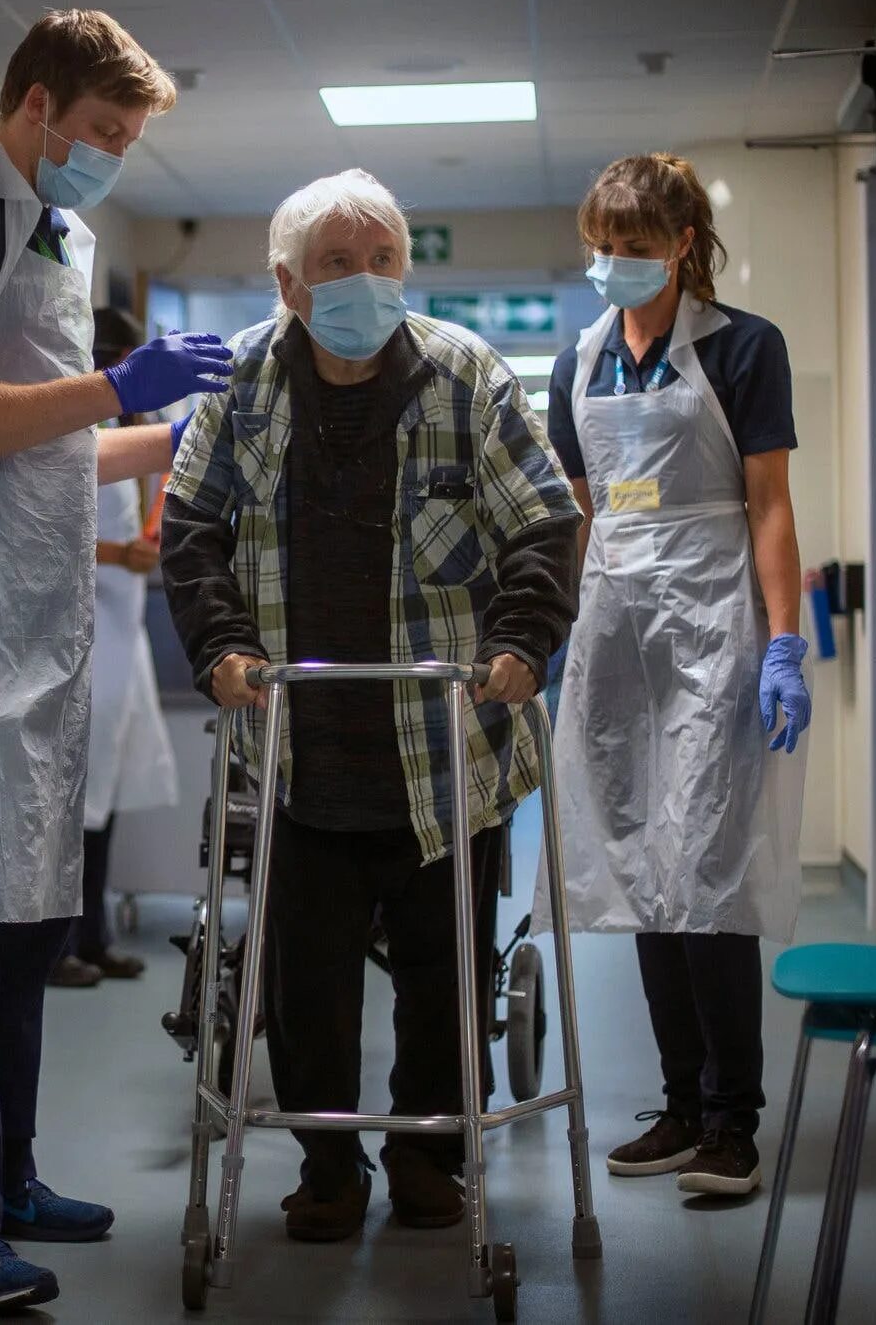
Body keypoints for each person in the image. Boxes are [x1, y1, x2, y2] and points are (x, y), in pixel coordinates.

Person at [0, 11, 232, 1313]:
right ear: (31, 108)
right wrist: (122, 391)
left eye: (127, 144)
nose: (110, 161)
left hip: (36, 613)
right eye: (100, 136)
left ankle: (5, 1177)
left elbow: (61, 442)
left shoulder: (62, 241)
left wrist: (188, 439)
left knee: (26, 914)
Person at [162, 169, 581, 1243]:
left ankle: (428, 1159)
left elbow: (540, 521)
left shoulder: (463, 375)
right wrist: (218, 646)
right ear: (287, 284)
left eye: (381, 258)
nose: (363, 280)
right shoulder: (239, 385)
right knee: (305, 988)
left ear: (406, 264)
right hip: (300, 743)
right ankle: (326, 1163)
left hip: (443, 738)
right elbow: (190, 530)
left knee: (444, 978)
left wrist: (521, 643)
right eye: (335, 265)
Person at [535, 152, 811, 1201]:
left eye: (634, 249)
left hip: (710, 624)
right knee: (646, 875)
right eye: (600, 249)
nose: (611, 266)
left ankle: (732, 1124)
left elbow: (769, 506)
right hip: (615, 635)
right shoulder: (579, 361)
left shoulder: (741, 348)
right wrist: (551, 632)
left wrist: (782, 642)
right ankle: (679, 1105)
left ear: (682, 245)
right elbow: (578, 510)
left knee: (703, 867)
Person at [49, 306, 179, 989]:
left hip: (119, 638)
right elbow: (43, 524)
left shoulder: (124, 428)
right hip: (79, 643)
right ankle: (58, 946)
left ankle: (92, 937)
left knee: (102, 800)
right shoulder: (63, 422)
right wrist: (117, 553)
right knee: (72, 806)